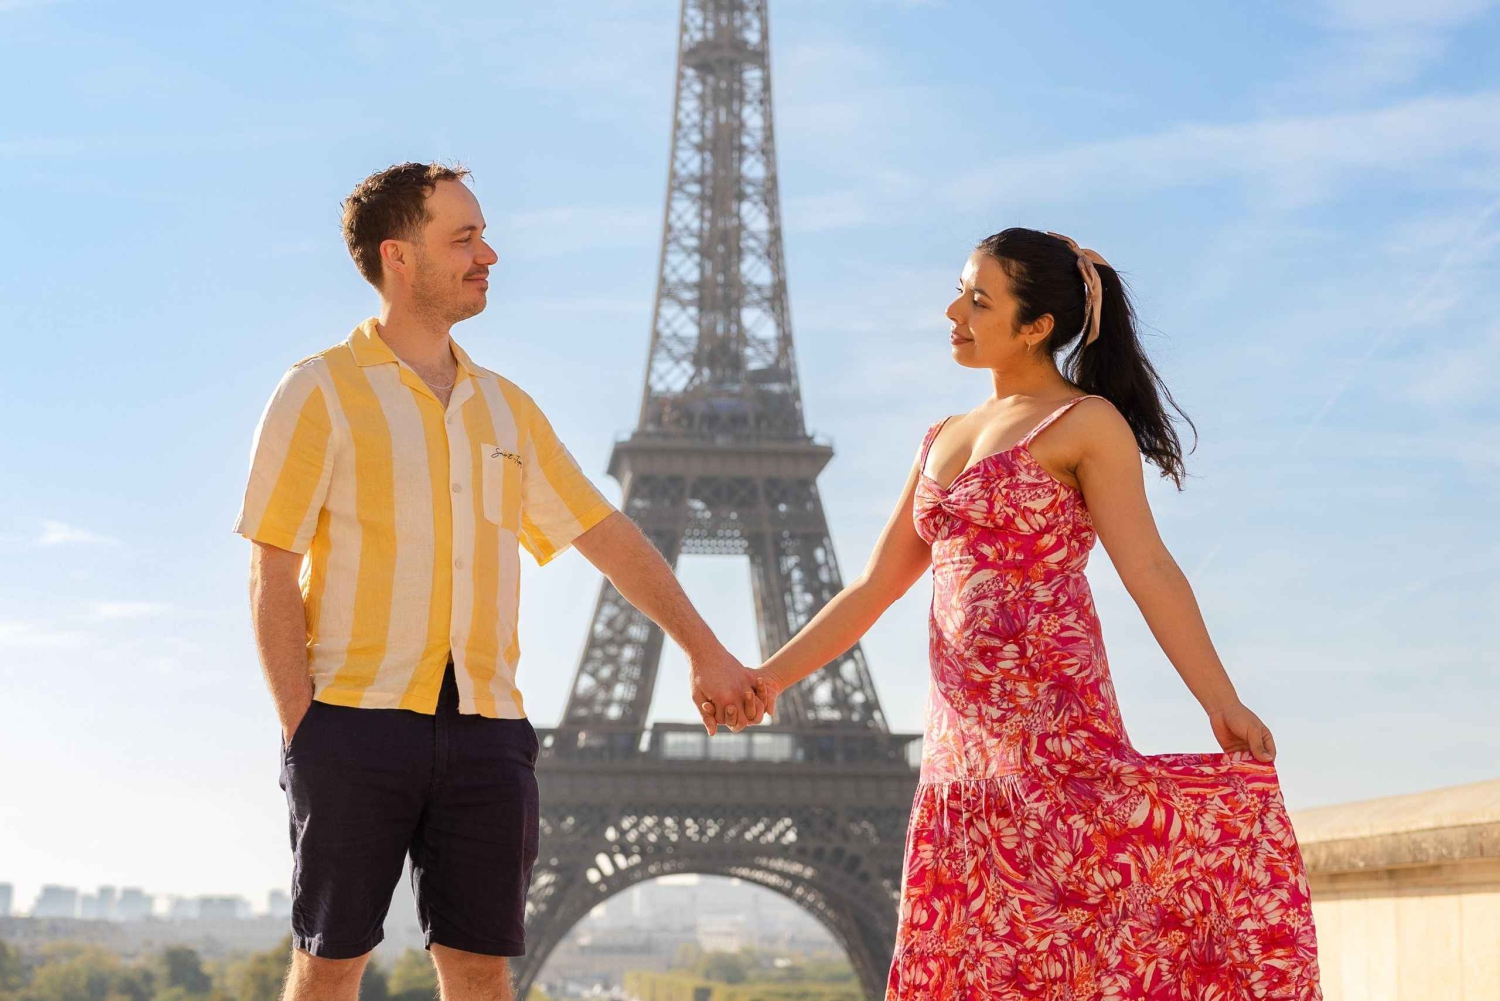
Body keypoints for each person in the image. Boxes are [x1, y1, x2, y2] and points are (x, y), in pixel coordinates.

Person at [724, 229, 1322, 998]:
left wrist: (1222, 701)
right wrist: (767, 679)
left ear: (1037, 325)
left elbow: (1151, 571)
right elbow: (873, 586)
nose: (954, 311)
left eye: (979, 300)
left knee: (1065, 949)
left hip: (1056, 736)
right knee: (981, 955)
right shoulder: (941, 438)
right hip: (962, 752)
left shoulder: (1086, 424)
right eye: (960, 293)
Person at [235, 162, 764, 1001]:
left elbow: (607, 534)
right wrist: (306, 727)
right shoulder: (319, 391)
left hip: (487, 726)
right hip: (355, 721)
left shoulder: (507, 409)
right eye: (465, 237)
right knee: (331, 965)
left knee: (482, 972)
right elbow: (271, 566)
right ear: (399, 257)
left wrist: (705, 651)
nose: (490, 253)